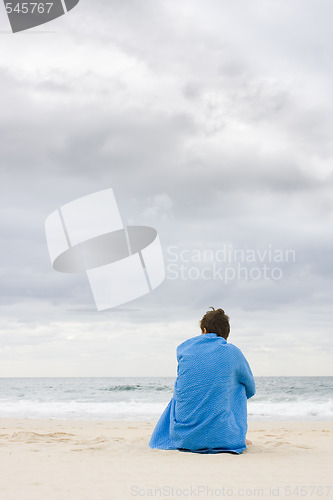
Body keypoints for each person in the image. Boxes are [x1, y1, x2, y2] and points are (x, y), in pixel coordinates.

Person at [149, 307, 255, 454]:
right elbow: (251, 389)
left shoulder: (184, 349)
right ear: (225, 334)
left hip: (183, 438)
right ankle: (235, 435)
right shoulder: (233, 352)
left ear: (204, 330)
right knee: (240, 386)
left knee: (186, 388)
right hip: (222, 438)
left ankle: (197, 432)